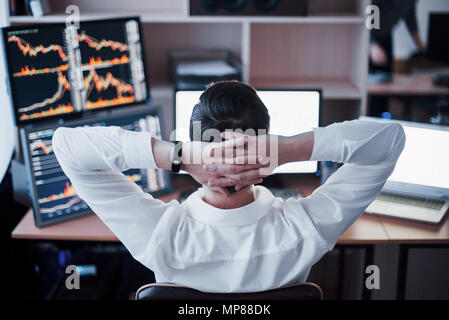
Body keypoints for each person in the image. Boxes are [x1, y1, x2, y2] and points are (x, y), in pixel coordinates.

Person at [52, 81, 405, 293]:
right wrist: (290, 149)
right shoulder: (306, 229)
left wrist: (176, 155)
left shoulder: (158, 234)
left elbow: (65, 146)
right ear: (266, 150)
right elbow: (389, 140)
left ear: (193, 146)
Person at [370, 0, 425, 75]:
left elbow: (411, 20)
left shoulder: (411, 2)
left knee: (386, 75)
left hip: (387, 35)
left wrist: (421, 46)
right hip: (370, 36)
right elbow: (370, 10)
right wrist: (372, 44)